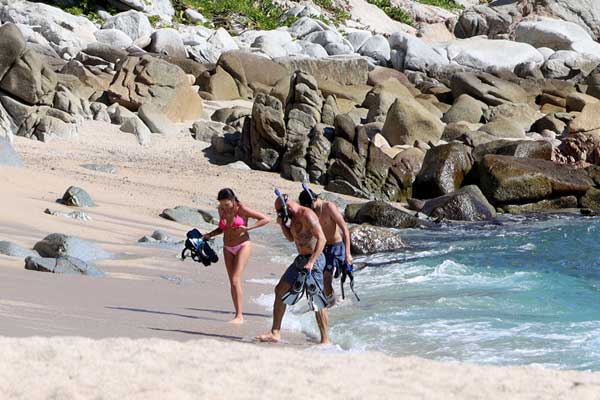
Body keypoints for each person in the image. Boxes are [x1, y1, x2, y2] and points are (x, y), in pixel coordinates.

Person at [256, 193, 329, 344]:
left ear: (286, 206)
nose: (279, 214)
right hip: (301, 259)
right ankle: (275, 332)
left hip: (314, 259)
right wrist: (282, 224)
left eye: (280, 211)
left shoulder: (307, 215)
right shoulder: (293, 218)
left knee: (316, 298)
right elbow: (291, 238)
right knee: (280, 289)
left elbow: (322, 239)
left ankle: (325, 340)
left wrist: (312, 261)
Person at [203, 188, 269, 324]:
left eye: (227, 205)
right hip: (227, 247)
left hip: (243, 245)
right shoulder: (221, 210)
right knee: (233, 282)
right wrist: (209, 235)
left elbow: (265, 219)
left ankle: (239, 316)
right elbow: (223, 228)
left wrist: (248, 228)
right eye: (222, 205)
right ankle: (237, 313)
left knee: (235, 279)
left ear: (233, 200)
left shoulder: (242, 209)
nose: (224, 208)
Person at [298, 186, 352, 306]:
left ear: (313, 200)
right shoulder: (311, 213)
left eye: (307, 206)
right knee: (318, 278)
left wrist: (348, 253)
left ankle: (331, 305)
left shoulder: (328, 207)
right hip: (322, 248)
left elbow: (345, 229)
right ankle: (330, 301)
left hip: (336, 247)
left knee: (326, 277)